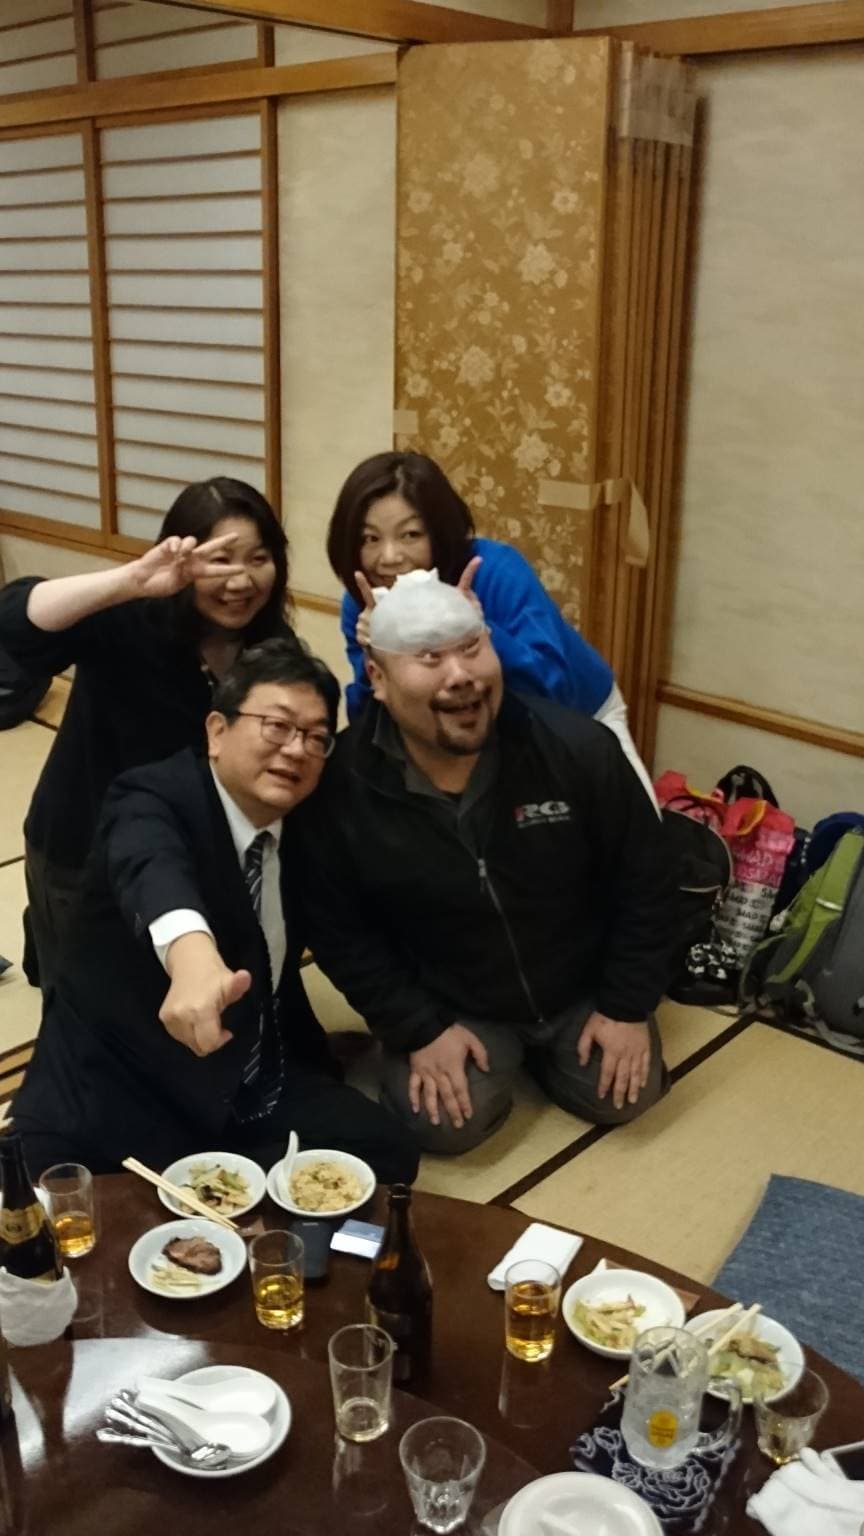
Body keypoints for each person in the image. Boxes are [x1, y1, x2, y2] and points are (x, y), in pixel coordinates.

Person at [12, 640, 419, 1185]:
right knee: (56, 1203)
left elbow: (346, 935)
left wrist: (421, 1031)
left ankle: (223, 1185)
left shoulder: (307, 822)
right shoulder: (152, 797)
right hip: (122, 1081)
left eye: (316, 737)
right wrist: (192, 959)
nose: (296, 749)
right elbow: (150, 866)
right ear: (217, 731)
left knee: (387, 1152)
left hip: (246, 1075)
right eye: (277, 726)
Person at [299, 572, 676, 1156]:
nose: (461, 675)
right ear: (377, 677)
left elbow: (648, 879)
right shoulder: (343, 787)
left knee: (625, 1098)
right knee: (440, 1126)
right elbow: (339, 930)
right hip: (453, 1002)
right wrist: (418, 1028)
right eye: (429, 657)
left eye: (472, 647)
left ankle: (549, 1053)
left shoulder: (575, 749)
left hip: (579, 985)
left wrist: (627, 1006)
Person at [0, 477, 301, 990]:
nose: (241, 580)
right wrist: (133, 579)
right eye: (220, 560)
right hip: (83, 846)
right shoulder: (130, 620)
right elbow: (13, 622)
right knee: (82, 1000)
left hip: (181, 858)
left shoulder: (272, 646)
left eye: (258, 558)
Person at [326, 451, 656, 801]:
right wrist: (373, 651)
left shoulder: (495, 570)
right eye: (370, 539)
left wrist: (477, 628)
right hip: (478, 739)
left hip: (583, 711)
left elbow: (551, 685)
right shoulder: (362, 603)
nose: (390, 557)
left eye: (410, 534)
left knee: (633, 816)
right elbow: (369, 722)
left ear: (439, 532)